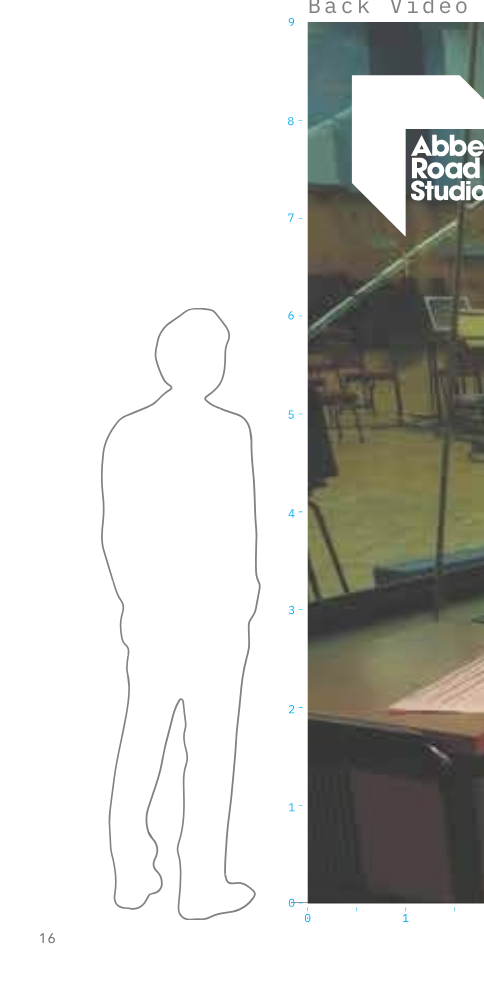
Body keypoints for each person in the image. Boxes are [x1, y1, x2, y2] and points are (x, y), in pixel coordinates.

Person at [104, 308, 257, 918]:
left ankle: (134, 871)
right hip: (210, 614)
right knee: (209, 749)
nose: (217, 364)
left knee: (143, 740)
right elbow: (239, 529)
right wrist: (244, 596)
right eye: (212, 353)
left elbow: (116, 535)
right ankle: (199, 883)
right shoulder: (229, 431)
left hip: (162, 614)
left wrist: (133, 604)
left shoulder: (128, 432)